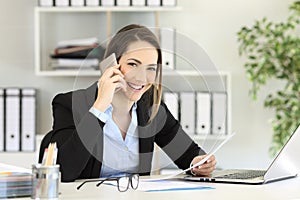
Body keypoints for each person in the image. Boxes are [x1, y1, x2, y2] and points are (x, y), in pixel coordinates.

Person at [44, 24, 216, 182]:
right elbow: (63, 172)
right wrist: (99, 107)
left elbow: (186, 152)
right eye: (133, 64)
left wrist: (199, 162)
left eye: (151, 68)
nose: (142, 77)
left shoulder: (150, 105)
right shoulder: (69, 104)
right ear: (110, 64)